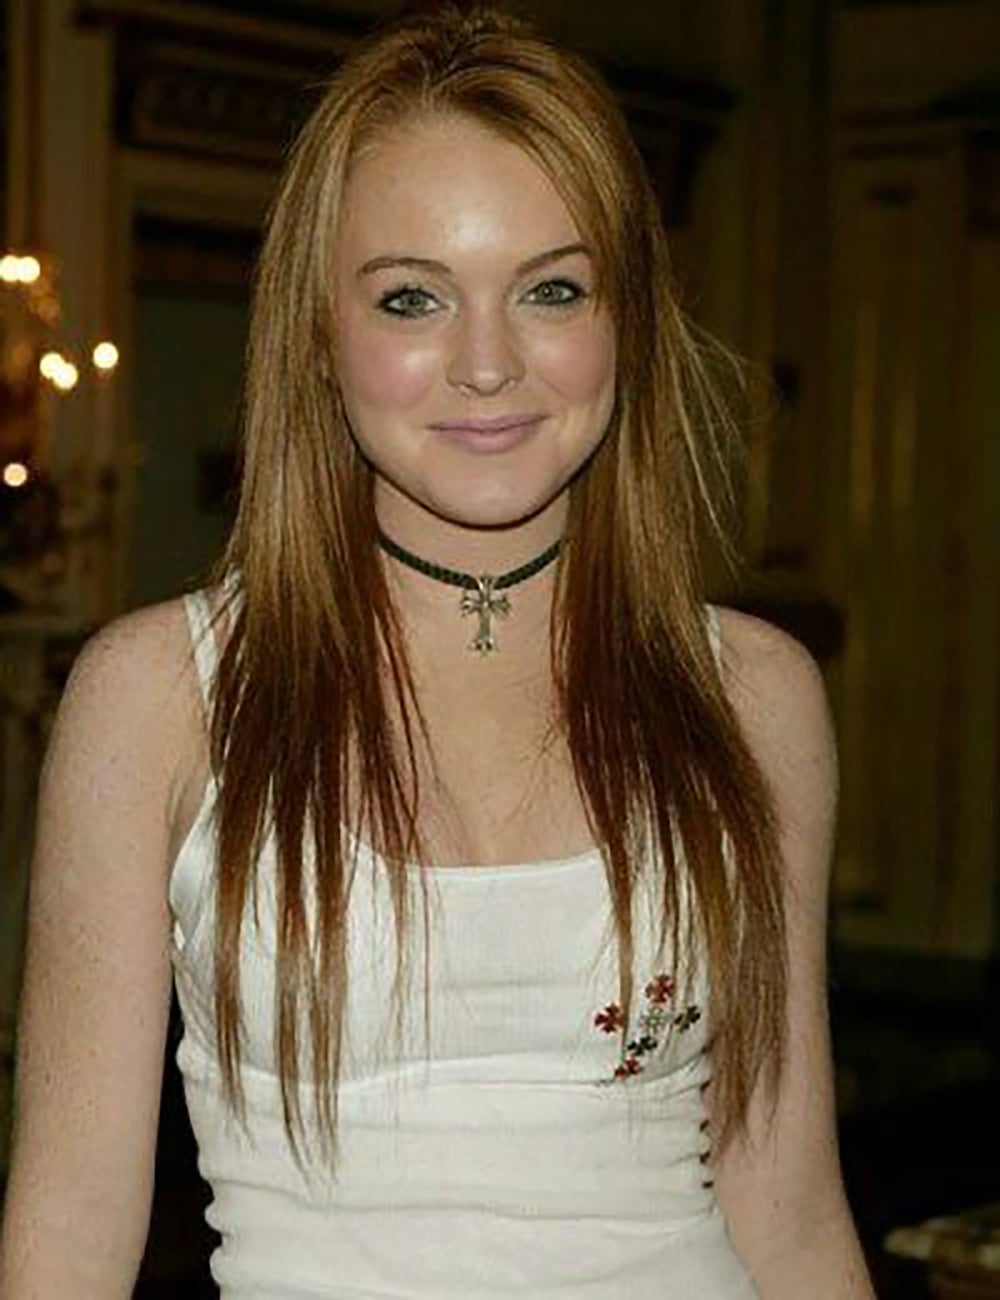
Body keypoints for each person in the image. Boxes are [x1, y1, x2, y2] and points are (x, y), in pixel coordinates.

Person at [0, 4, 876, 1297]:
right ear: (317, 333)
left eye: (551, 290)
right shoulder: (162, 699)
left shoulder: (752, 697)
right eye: (412, 297)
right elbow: (70, 1232)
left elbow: (790, 1210)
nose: (486, 364)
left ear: (624, 318)